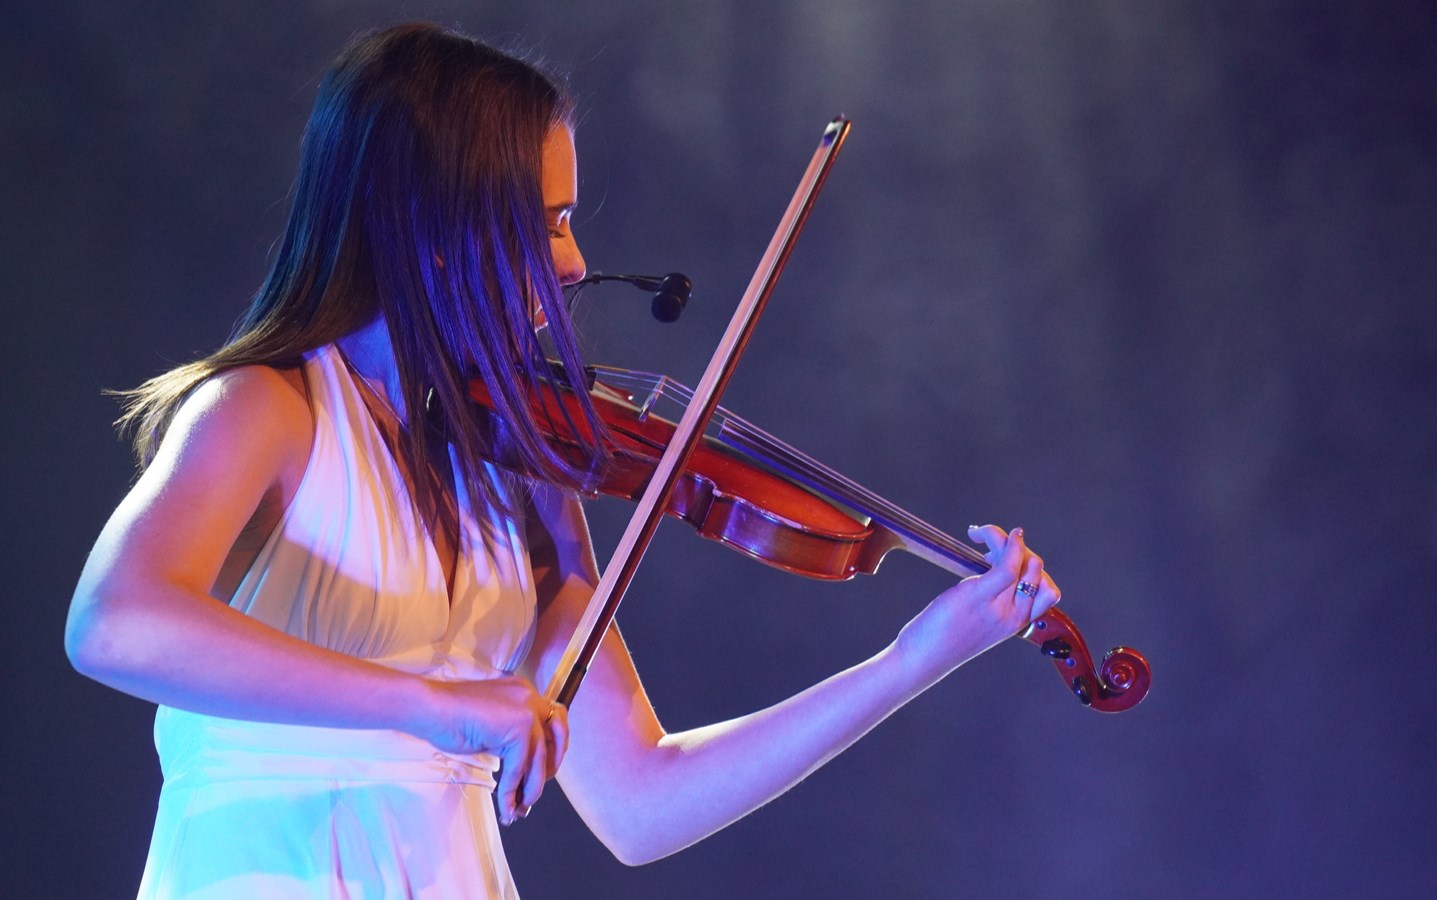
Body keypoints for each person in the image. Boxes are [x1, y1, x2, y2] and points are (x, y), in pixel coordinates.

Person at [65, 22, 1062, 899]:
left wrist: (907, 663)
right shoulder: (265, 410)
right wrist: (442, 706)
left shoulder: (522, 470)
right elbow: (114, 623)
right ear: (431, 220)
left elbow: (639, 802)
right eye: (545, 221)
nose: (576, 260)